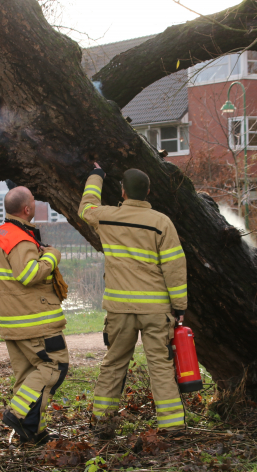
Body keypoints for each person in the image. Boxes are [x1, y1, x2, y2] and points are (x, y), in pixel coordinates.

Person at [78, 163, 188, 434]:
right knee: (160, 367)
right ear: (148, 192)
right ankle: (172, 426)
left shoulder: (108, 217)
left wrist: (96, 176)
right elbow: (174, 268)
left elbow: (86, 208)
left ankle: (102, 422)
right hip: (156, 310)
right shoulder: (161, 223)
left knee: (114, 364)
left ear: (123, 192)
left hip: (120, 309)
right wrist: (179, 307)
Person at [0, 186, 69, 444]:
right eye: (34, 200)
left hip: (14, 322)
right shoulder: (19, 239)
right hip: (35, 322)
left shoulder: (1, 234)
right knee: (54, 366)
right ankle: (16, 414)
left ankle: (34, 432)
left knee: (27, 378)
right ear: (26, 209)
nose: (36, 203)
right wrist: (52, 257)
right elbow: (28, 274)